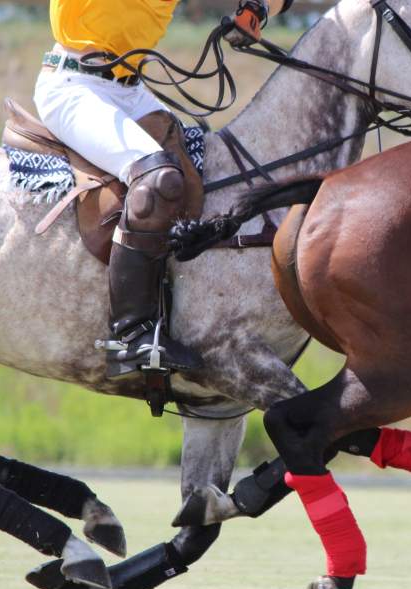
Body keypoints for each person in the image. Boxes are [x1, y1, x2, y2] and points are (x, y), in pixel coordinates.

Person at [34, 0, 287, 376]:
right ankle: (130, 338)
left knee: (194, 181)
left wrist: (257, 8)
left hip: (130, 91)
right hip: (73, 86)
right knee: (159, 180)